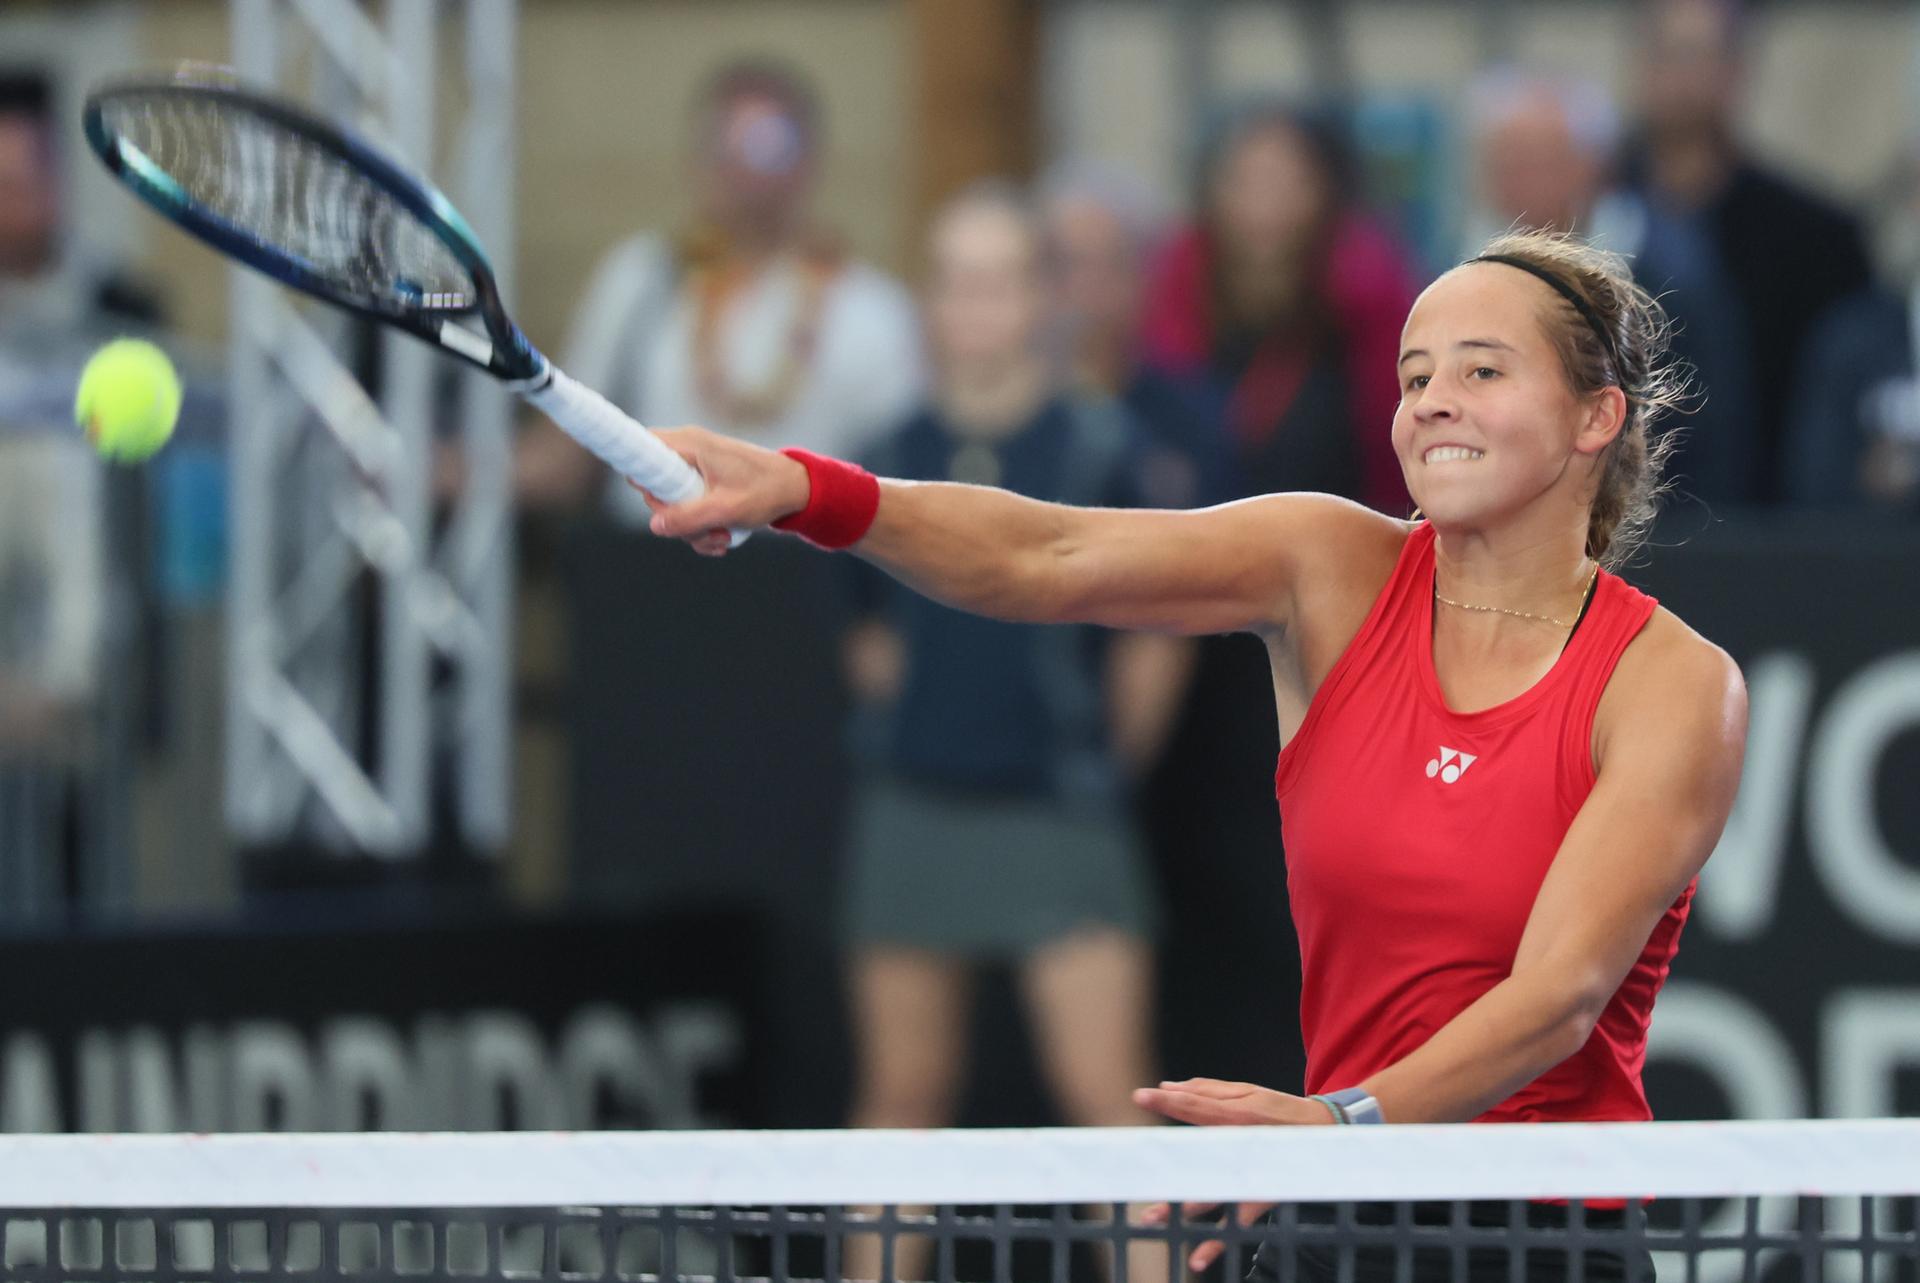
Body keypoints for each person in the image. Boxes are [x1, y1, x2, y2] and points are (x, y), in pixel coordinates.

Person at [633, 228, 1747, 1282]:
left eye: (1482, 371)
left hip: (1545, 1236)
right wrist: (804, 490)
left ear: (1596, 416)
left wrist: (1334, 1125)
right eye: (1413, 377)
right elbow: (1051, 552)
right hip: (1342, 1218)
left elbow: (1559, 995)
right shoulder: (1329, 565)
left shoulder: (1676, 684)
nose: (1432, 402)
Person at [833, 183, 1180, 1280]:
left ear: (1039, 297)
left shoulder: (1101, 447)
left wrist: (1083, 759)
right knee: (901, 1101)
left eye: (998, 279)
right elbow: (870, 641)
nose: (974, 304)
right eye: (954, 280)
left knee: (1110, 1103)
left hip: (1058, 817)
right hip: (915, 808)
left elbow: (1152, 641)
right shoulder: (884, 451)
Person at [515, 59, 921, 517]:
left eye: (772, 145)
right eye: (729, 143)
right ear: (698, 160)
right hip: (650, 557)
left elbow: (902, 491)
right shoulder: (641, 279)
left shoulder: (874, 311)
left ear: (812, 161)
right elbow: (559, 461)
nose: (749, 171)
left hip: (803, 570)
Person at [1622, 0, 1872, 506]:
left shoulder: (1815, 237)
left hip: (1765, 527)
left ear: (1737, 71)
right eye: (1667, 53)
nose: (1680, 76)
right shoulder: (1589, 209)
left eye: (1697, 55)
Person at [1139, 102, 1421, 517]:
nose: (1266, 201)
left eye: (1287, 180)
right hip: (1205, 545)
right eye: (1247, 180)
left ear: (1324, 191)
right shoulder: (1179, 294)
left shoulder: (1368, 297)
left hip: (1348, 539)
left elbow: (1397, 433)